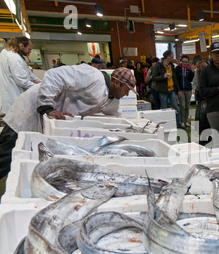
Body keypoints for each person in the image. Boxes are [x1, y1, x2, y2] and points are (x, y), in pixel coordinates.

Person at [0, 65, 136, 180]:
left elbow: (117, 118)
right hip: (30, 111)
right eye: (126, 89)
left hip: (47, 123)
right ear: (117, 82)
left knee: (20, 156)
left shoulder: (111, 100)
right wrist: (47, 106)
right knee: (6, 155)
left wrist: (130, 133)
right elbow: (54, 75)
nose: (127, 94)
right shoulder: (93, 76)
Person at [0, 36, 41, 116]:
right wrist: (41, 86)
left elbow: (29, 73)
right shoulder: (15, 58)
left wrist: (42, 82)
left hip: (8, 97)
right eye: (29, 49)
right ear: (22, 46)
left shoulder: (5, 52)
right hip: (15, 99)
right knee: (17, 125)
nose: (30, 52)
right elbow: (23, 82)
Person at [151, 50, 180, 127]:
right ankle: (166, 125)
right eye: (172, 57)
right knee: (164, 108)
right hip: (163, 90)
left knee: (175, 107)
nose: (173, 58)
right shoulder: (158, 65)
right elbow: (154, 77)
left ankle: (178, 124)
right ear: (167, 57)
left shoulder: (172, 66)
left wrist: (178, 90)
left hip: (172, 89)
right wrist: (163, 77)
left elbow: (175, 78)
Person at [192, 55, 210, 139]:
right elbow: (195, 81)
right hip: (200, 97)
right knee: (200, 116)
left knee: (207, 117)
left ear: (203, 62)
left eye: (198, 66)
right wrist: (195, 89)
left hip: (209, 97)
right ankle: (202, 132)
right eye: (196, 67)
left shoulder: (210, 69)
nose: (198, 68)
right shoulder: (197, 71)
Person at [175, 55, 194, 128]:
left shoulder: (189, 70)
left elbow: (191, 79)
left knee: (187, 106)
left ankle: (186, 121)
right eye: (183, 62)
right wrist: (177, 90)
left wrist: (192, 72)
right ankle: (182, 121)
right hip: (181, 90)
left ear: (188, 62)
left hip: (188, 90)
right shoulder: (178, 69)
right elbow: (176, 79)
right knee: (182, 106)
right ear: (181, 61)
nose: (184, 63)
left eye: (186, 62)